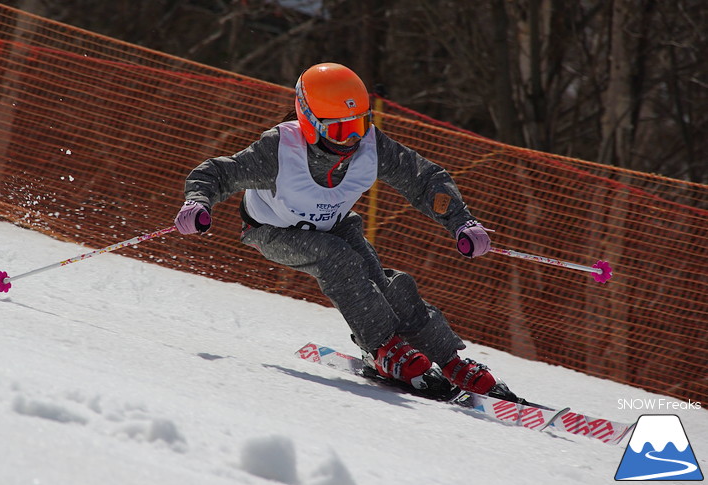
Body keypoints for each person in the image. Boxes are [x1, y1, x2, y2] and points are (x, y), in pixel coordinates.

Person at [175, 62, 516, 399]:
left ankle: (450, 360)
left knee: (386, 284)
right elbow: (217, 173)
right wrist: (198, 202)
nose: (351, 140)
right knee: (336, 259)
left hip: (334, 224)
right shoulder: (278, 151)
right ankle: (383, 348)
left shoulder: (370, 145)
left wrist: (461, 221)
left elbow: (423, 178)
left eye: (359, 125)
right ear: (308, 122)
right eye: (339, 131)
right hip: (273, 230)